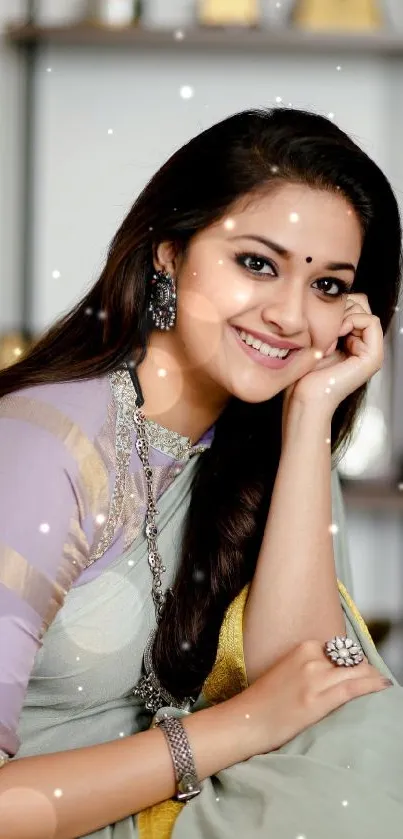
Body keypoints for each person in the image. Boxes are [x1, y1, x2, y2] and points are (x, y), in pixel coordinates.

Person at [0, 106, 402, 839]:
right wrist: (233, 728)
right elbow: (269, 711)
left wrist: (311, 415)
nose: (288, 314)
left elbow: (306, 695)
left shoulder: (267, 444)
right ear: (168, 252)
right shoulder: (42, 447)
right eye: (257, 263)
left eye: (327, 286)